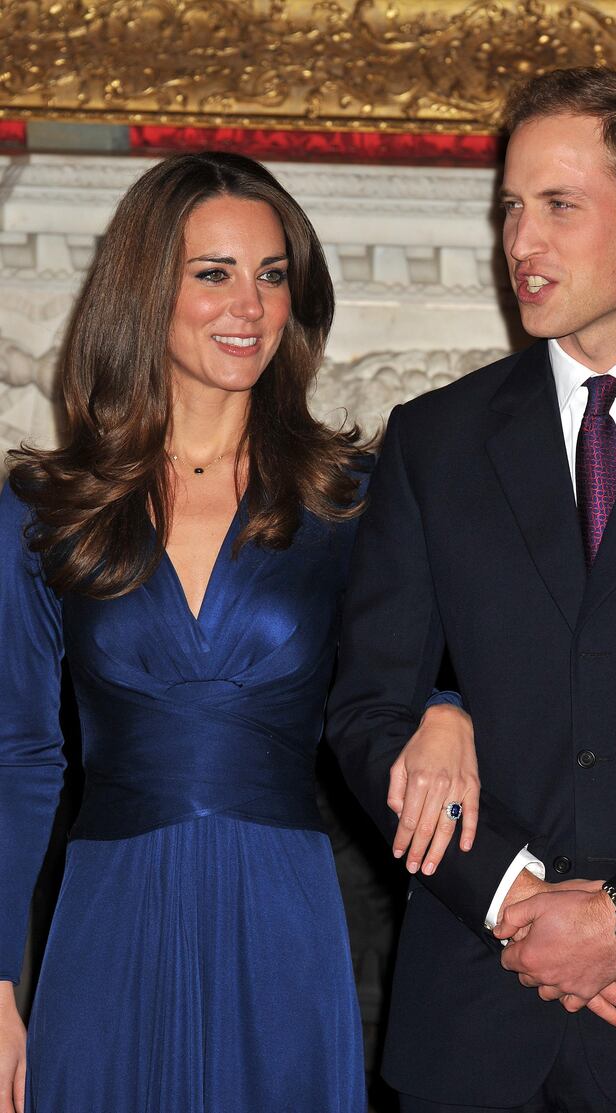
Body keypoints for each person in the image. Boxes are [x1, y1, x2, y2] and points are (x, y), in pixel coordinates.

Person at [326, 66, 616, 1113]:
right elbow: (366, 713)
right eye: (508, 208)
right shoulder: (432, 443)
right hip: (473, 1023)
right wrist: (512, 900)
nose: (520, 244)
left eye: (556, 206)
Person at [0, 150, 479, 1113]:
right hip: (109, 917)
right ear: (145, 290)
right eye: (213, 273)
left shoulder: (352, 499)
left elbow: (438, 660)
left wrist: (449, 708)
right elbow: (18, 755)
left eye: (271, 276)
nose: (250, 308)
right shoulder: (44, 509)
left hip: (282, 916)